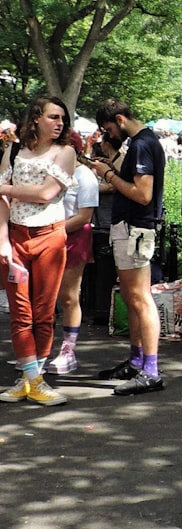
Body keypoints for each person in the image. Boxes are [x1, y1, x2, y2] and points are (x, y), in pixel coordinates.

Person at [0, 95, 75, 406]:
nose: (59, 123)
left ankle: (32, 377)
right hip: (15, 237)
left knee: (43, 313)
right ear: (35, 119)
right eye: (52, 117)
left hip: (50, 237)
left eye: (62, 118)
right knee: (20, 313)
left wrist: (3, 187)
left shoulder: (65, 152)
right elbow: (3, 204)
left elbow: (46, 193)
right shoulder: (14, 150)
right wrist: (3, 239)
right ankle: (33, 380)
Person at [94, 98, 166, 395]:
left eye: (109, 128)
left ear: (120, 120)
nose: (108, 135)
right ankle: (138, 363)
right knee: (132, 295)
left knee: (139, 298)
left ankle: (150, 370)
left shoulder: (141, 145)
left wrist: (108, 175)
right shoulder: (142, 143)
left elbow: (143, 194)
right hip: (131, 228)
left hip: (135, 228)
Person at [47, 129, 100, 374]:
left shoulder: (84, 176)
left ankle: (68, 350)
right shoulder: (50, 172)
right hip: (47, 237)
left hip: (73, 237)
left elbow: (84, 216)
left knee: (68, 296)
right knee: (43, 297)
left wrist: (55, 230)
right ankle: (38, 351)